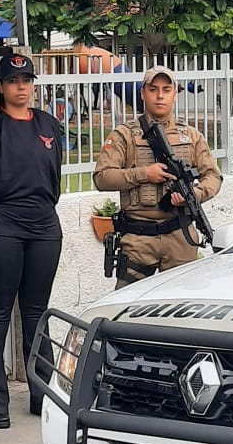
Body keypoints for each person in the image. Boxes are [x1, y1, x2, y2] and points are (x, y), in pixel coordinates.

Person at [0, 50, 64, 428]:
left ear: (33, 84)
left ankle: (44, 394)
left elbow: (53, 179)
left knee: (38, 313)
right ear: (1, 86)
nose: (20, 88)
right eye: (12, 82)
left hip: (43, 226)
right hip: (1, 224)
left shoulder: (49, 124)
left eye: (26, 81)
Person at [93, 66, 222, 287]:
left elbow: (213, 177)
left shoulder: (191, 136)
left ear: (175, 93)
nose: (160, 95)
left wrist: (194, 194)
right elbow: (102, 178)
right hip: (138, 237)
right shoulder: (124, 134)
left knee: (181, 308)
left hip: (180, 234)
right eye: (153, 89)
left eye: (166, 89)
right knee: (129, 307)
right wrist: (144, 174)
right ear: (143, 93)